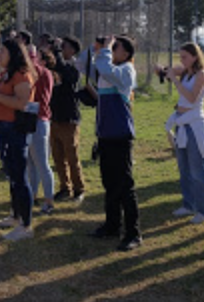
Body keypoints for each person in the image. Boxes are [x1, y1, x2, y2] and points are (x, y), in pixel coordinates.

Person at [0, 39, 37, 241]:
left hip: (15, 129)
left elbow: (22, 103)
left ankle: (26, 225)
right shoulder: (7, 74)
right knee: (13, 176)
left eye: (2, 51)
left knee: (20, 178)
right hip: (4, 129)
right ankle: (15, 216)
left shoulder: (22, 75)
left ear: (13, 54)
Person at [90, 35, 142, 251]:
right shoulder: (108, 68)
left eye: (115, 47)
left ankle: (133, 233)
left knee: (124, 186)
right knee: (109, 183)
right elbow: (94, 64)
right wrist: (99, 47)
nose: (111, 49)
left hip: (120, 136)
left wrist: (105, 49)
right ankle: (112, 225)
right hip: (106, 135)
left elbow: (106, 68)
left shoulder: (126, 70)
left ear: (126, 53)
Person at [161, 42, 204, 224]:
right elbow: (168, 71)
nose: (181, 60)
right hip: (181, 124)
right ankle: (188, 204)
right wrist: (162, 70)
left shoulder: (201, 74)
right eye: (180, 56)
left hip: (194, 125)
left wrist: (174, 80)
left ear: (195, 56)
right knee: (184, 170)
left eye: (184, 57)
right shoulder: (185, 71)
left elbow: (191, 97)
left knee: (198, 171)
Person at [17, 31, 56, 215]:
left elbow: (44, 99)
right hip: (29, 120)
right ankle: (32, 195)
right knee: (30, 163)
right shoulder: (33, 72)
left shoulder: (42, 72)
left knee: (41, 163)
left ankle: (49, 200)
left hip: (39, 120)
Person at [50, 36, 86, 203]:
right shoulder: (56, 63)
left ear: (72, 50)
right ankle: (65, 187)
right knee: (58, 157)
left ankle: (79, 189)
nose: (61, 49)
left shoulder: (75, 65)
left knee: (72, 156)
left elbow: (66, 75)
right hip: (55, 117)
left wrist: (56, 52)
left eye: (64, 46)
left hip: (69, 118)